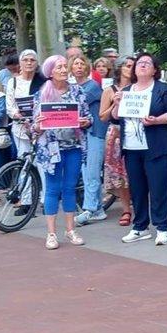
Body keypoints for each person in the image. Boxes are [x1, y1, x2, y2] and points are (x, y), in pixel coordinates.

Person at [112, 52, 167, 246]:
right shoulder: (126, 91)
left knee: (159, 188)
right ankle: (140, 227)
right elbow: (115, 117)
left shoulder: (162, 90)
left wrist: (156, 120)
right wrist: (116, 104)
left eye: (147, 63)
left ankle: (162, 228)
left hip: (156, 147)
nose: (142, 65)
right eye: (139, 63)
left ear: (155, 70)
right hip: (131, 148)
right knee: (137, 189)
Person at [32, 56, 91, 249]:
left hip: (73, 147)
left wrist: (85, 122)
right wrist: (38, 125)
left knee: (70, 187)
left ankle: (70, 230)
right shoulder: (42, 94)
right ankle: (51, 233)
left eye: (65, 66)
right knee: (52, 188)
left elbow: (88, 117)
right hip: (51, 149)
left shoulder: (77, 91)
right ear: (50, 71)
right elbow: (35, 127)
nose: (64, 70)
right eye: (59, 67)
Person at [5, 49, 46, 214]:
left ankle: (45, 199)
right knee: (24, 163)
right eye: (26, 60)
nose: (29, 63)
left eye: (32, 60)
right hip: (21, 128)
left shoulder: (43, 81)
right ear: (20, 63)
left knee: (43, 164)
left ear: (36, 63)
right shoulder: (13, 83)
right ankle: (26, 200)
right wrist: (17, 115)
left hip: (40, 129)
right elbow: (10, 105)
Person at [71, 55, 108, 226]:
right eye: (75, 64)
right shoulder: (73, 87)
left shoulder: (91, 86)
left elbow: (76, 106)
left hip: (95, 132)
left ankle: (90, 209)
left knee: (92, 171)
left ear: (87, 67)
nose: (79, 66)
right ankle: (98, 209)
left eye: (82, 64)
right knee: (86, 171)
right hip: (82, 133)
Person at [100, 56, 134, 227]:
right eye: (127, 66)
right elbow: (102, 116)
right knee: (120, 174)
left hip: (134, 130)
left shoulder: (138, 88)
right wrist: (115, 104)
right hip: (116, 133)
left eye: (133, 66)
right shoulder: (110, 90)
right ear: (119, 68)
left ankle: (140, 203)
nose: (131, 68)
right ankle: (126, 209)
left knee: (136, 172)